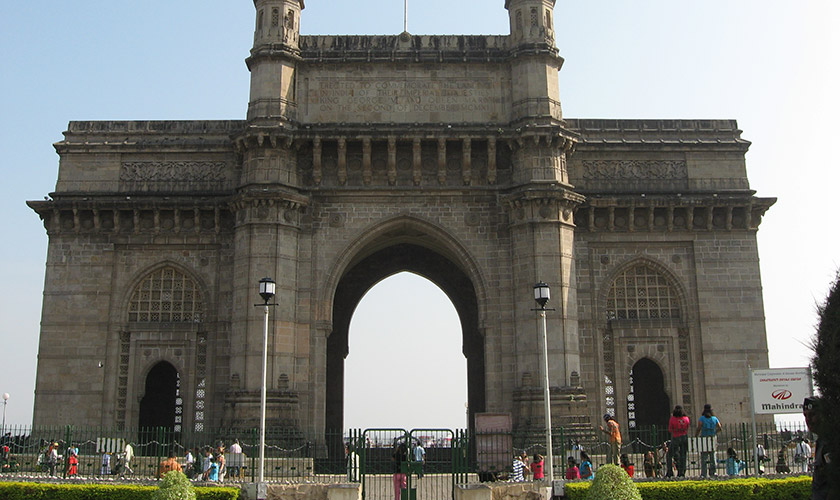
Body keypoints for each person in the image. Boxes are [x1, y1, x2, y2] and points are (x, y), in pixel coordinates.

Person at [804, 396, 832, 500]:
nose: (808, 420)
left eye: (812, 415)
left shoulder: (831, 442)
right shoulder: (821, 442)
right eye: (806, 416)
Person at [696, 404, 722, 478]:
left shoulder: (702, 418)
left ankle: (704, 473)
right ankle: (713, 472)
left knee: (704, 457)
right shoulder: (714, 419)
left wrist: (696, 435)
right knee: (712, 456)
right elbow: (720, 427)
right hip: (712, 438)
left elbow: (699, 428)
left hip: (704, 438)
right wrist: (714, 432)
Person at [667, 405, 690, 477]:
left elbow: (670, 429)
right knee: (683, 455)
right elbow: (687, 427)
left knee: (669, 454)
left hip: (676, 437)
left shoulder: (673, 419)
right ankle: (682, 471)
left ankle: (670, 471)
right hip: (684, 437)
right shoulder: (686, 418)